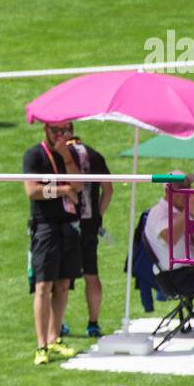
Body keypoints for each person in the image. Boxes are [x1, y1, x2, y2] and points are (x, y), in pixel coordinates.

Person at [23, 121, 83, 365]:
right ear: (45, 130)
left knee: (63, 284)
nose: (61, 135)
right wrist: (62, 190)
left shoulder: (71, 154)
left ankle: (55, 337)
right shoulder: (34, 155)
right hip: (45, 226)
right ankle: (41, 345)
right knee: (43, 286)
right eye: (56, 131)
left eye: (65, 131)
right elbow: (32, 191)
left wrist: (67, 159)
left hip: (68, 226)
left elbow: (78, 187)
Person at [70, 135, 112, 337]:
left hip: (65, 223)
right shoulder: (94, 154)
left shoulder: (59, 156)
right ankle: (93, 323)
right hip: (89, 225)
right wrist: (98, 216)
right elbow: (109, 190)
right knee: (91, 274)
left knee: (61, 279)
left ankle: (57, 325)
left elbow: (47, 190)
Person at [143, 176, 194, 304]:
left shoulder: (181, 212)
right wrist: (188, 211)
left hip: (192, 270)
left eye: (188, 187)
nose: (187, 191)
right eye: (182, 187)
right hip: (175, 276)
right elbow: (169, 238)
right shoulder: (158, 212)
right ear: (168, 191)